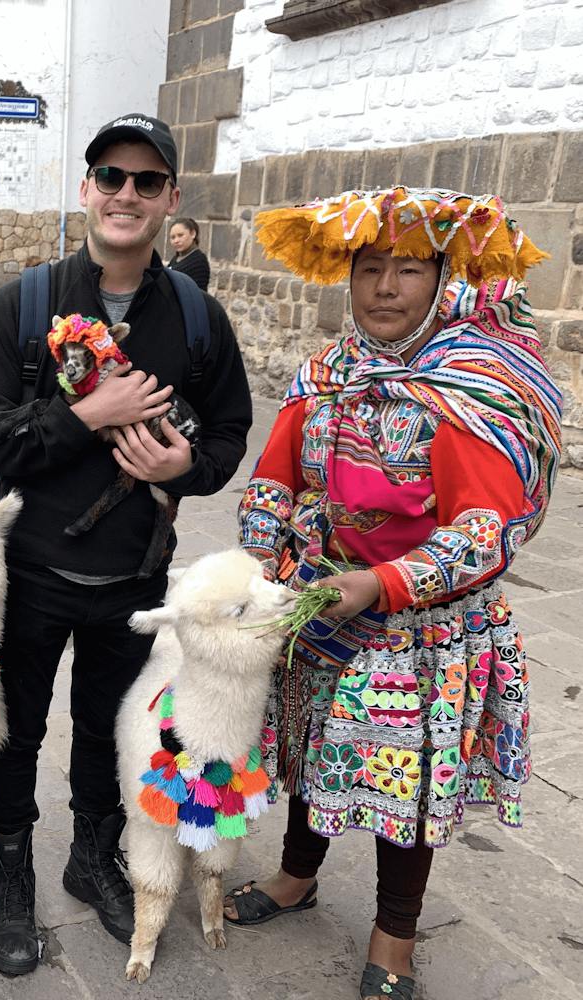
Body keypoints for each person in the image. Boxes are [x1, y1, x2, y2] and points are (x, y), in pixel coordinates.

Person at [230, 188, 562, 1000]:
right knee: (309, 752)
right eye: (369, 267)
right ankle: (295, 875)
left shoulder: (470, 391)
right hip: (316, 606)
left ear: (445, 281)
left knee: (400, 784)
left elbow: (487, 531)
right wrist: (260, 555)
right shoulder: (325, 375)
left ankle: (395, 936)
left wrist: (381, 583)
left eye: (407, 269)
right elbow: (275, 476)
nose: (383, 287)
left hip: (420, 631)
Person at [0, 113, 253, 976]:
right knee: (15, 733)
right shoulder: (25, 303)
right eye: (111, 177)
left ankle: (91, 854)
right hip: (34, 571)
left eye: (147, 181)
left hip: (133, 573)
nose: (127, 194)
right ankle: (14, 865)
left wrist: (185, 464)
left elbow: (231, 433)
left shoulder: (197, 318)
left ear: (169, 199)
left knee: (106, 725)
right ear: (87, 188)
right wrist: (85, 415)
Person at [166, 217, 210, 291]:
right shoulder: (175, 259)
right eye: (172, 237)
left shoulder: (198, 261)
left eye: (180, 235)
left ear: (193, 234)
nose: (176, 241)